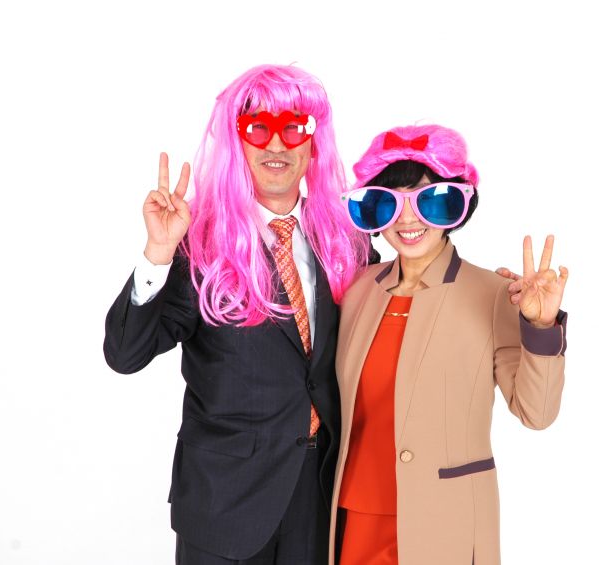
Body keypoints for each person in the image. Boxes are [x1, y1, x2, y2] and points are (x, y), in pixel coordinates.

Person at [103, 64, 369, 565]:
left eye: (294, 128)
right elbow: (124, 354)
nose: (277, 145)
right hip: (223, 502)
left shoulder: (346, 240)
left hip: (317, 494)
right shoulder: (200, 244)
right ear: (236, 141)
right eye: (258, 129)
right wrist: (158, 253)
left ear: (313, 142)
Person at [329, 124, 569, 565]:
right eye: (390, 201)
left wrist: (541, 325)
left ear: (457, 206)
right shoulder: (358, 290)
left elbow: (537, 413)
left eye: (428, 200)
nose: (407, 220)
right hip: (357, 516)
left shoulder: (493, 294)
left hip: (446, 524)